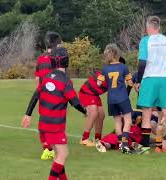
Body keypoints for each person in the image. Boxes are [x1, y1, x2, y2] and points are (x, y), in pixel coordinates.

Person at [21, 47, 87, 180]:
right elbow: (75, 102)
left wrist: (27, 115)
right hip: (55, 125)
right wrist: (85, 111)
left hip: (44, 124)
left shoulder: (46, 77)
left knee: (58, 156)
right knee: (63, 154)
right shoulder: (65, 81)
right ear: (66, 62)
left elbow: (35, 96)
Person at [135, 16, 166, 155]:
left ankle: (145, 147)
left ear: (148, 27)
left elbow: (142, 63)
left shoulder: (146, 40)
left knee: (146, 114)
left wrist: (139, 81)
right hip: (164, 79)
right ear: (159, 27)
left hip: (150, 78)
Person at [21, 31, 61, 160]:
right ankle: (50, 148)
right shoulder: (58, 58)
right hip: (55, 95)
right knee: (54, 123)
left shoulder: (40, 58)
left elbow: (37, 80)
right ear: (58, 44)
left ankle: (47, 147)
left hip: (43, 94)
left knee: (44, 120)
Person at [97, 44, 133, 154]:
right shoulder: (123, 67)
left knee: (117, 121)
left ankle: (120, 143)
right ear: (117, 54)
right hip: (122, 97)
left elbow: (98, 83)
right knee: (128, 120)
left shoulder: (105, 69)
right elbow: (130, 82)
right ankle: (125, 143)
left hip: (111, 99)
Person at [79, 68, 107, 147]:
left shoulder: (117, 77)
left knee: (101, 115)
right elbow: (98, 78)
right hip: (86, 92)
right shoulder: (105, 72)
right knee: (94, 113)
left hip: (94, 95)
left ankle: (97, 139)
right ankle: (84, 138)